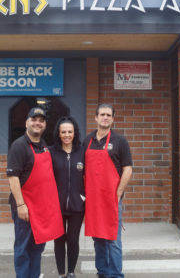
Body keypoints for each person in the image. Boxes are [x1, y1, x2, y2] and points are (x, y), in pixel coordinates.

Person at [6, 107, 64, 278]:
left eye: (41, 120)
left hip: (41, 207)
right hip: (25, 207)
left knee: (38, 246)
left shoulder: (43, 145)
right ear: (27, 122)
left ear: (45, 124)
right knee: (23, 247)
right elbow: (12, 177)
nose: (37, 123)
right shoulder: (19, 146)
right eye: (34, 119)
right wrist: (21, 204)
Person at [83, 103, 133, 278]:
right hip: (93, 200)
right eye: (102, 114)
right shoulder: (87, 140)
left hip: (112, 199)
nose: (105, 117)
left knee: (113, 240)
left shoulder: (120, 141)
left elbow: (128, 169)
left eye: (108, 115)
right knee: (98, 239)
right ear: (96, 117)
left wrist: (118, 193)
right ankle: (102, 272)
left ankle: (116, 275)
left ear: (113, 119)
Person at [49, 116, 86, 278]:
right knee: (59, 241)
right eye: (63, 132)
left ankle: (71, 272)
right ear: (58, 134)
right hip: (56, 205)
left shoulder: (82, 152)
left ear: (75, 133)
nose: (66, 135)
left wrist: (85, 197)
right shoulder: (50, 152)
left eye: (70, 132)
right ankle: (61, 273)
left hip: (77, 206)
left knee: (72, 240)